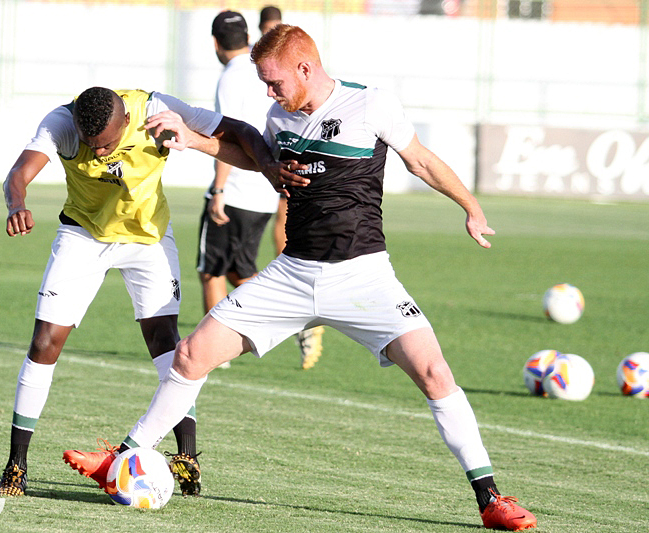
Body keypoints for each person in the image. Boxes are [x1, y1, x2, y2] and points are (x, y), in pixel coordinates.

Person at [69, 25, 537, 531]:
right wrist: (194, 141)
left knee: (434, 373)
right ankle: (121, 459)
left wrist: (470, 207)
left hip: (364, 278)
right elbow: (255, 159)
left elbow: (420, 160)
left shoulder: (372, 105)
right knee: (190, 354)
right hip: (292, 275)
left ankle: (490, 499)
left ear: (305, 68)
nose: (269, 94)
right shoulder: (279, 115)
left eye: (273, 82)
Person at [0, 86, 298, 498]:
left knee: (167, 344)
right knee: (45, 342)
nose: (99, 154)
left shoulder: (156, 109)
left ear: (126, 122)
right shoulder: (62, 124)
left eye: (107, 144)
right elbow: (19, 174)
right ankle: (16, 465)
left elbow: (237, 130)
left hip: (147, 238)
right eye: (91, 145)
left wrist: (268, 166)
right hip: (84, 235)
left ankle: (187, 457)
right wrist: (17, 204)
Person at [197, 11, 279, 342]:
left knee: (212, 272)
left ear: (215, 43)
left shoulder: (230, 76)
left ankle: (213, 346)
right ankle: (285, 316)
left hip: (236, 191)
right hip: (265, 192)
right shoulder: (263, 70)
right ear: (247, 37)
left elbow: (226, 137)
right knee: (240, 270)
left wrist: (218, 190)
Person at [258, 5, 327, 370]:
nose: (270, 91)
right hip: (263, 185)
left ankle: (299, 318)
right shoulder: (276, 111)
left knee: (217, 270)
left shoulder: (349, 103)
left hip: (241, 194)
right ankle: (300, 319)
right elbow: (253, 142)